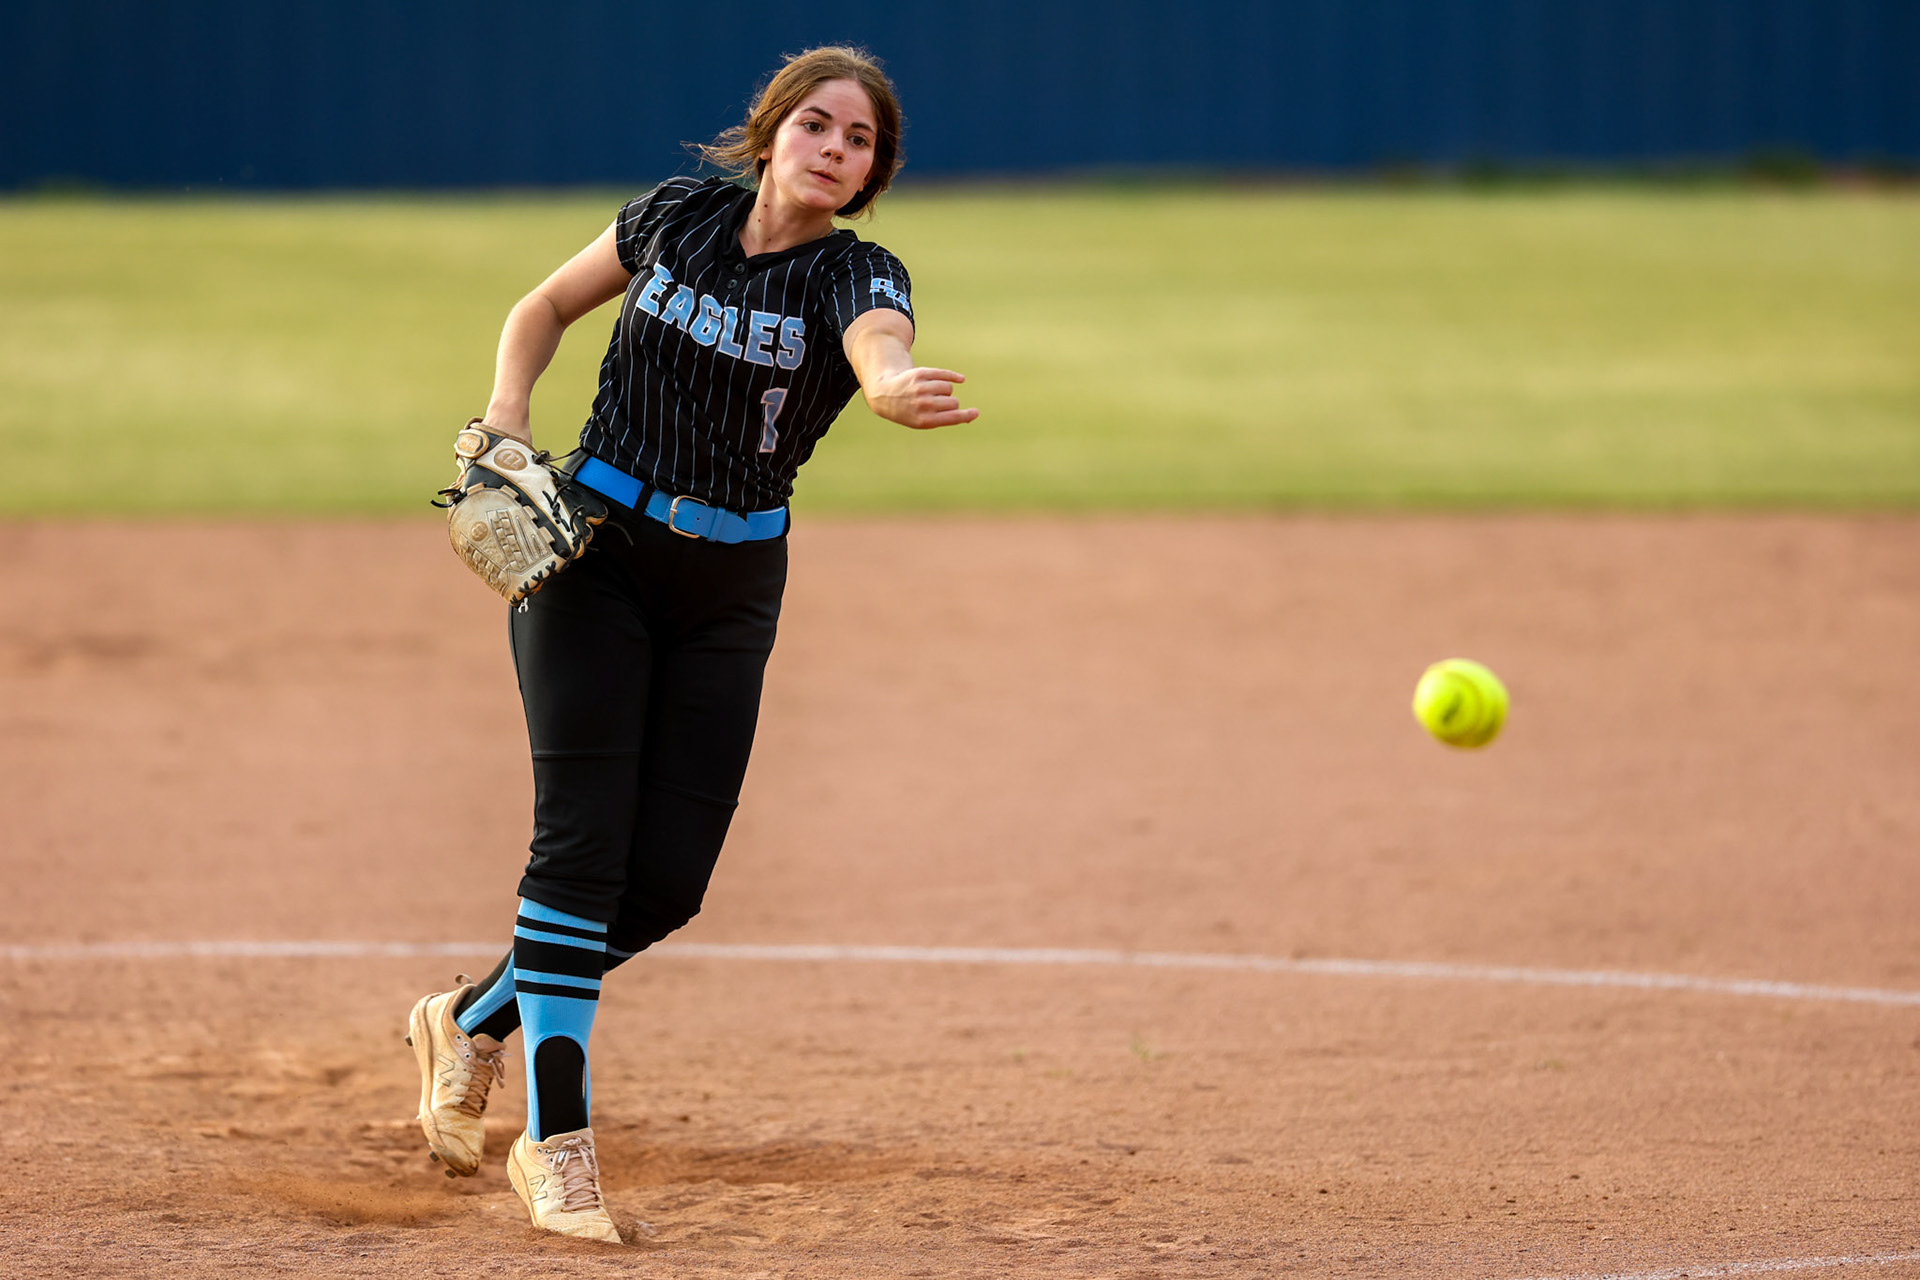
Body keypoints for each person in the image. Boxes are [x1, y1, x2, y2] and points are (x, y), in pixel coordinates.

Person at [404, 46, 976, 1242]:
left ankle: (469, 1018)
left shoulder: (857, 272)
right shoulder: (678, 217)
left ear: (872, 171)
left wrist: (886, 385)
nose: (833, 147)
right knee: (578, 848)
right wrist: (506, 417)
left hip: (731, 587)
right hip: (593, 553)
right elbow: (543, 306)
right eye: (816, 124)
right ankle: (556, 1146)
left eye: (859, 139)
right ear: (770, 131)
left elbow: (877, 340)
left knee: (662, 884)